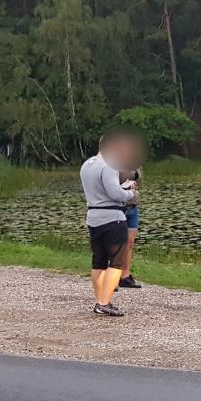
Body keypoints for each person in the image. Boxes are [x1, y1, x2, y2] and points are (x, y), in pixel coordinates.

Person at [80, 130, 140, 317]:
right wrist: (131, 193)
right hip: (112, 218)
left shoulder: (87, 164)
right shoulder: (109, 165)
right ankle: (104, 302)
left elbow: (100, 189)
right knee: (116, 262)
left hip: (93, 216)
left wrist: (121, 187)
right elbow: (114, 193)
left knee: (98, 262)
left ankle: (100, 300)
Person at [118, 166, 143, 289]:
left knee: (129, 242)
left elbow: (139, 183)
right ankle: (113, 275)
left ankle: (125, 276)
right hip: (119, 207)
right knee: (117, 243)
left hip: (133, 206)